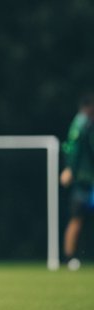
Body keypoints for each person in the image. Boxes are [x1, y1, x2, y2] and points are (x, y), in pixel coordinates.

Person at [59, 93, 94, 270]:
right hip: (84, 180)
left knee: (77, 218)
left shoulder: (84, 123)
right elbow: (72, 149)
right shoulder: (81, 123)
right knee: (76, 217)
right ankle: (69, 256)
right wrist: (70, 169)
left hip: (87, 179)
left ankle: (69, 256)